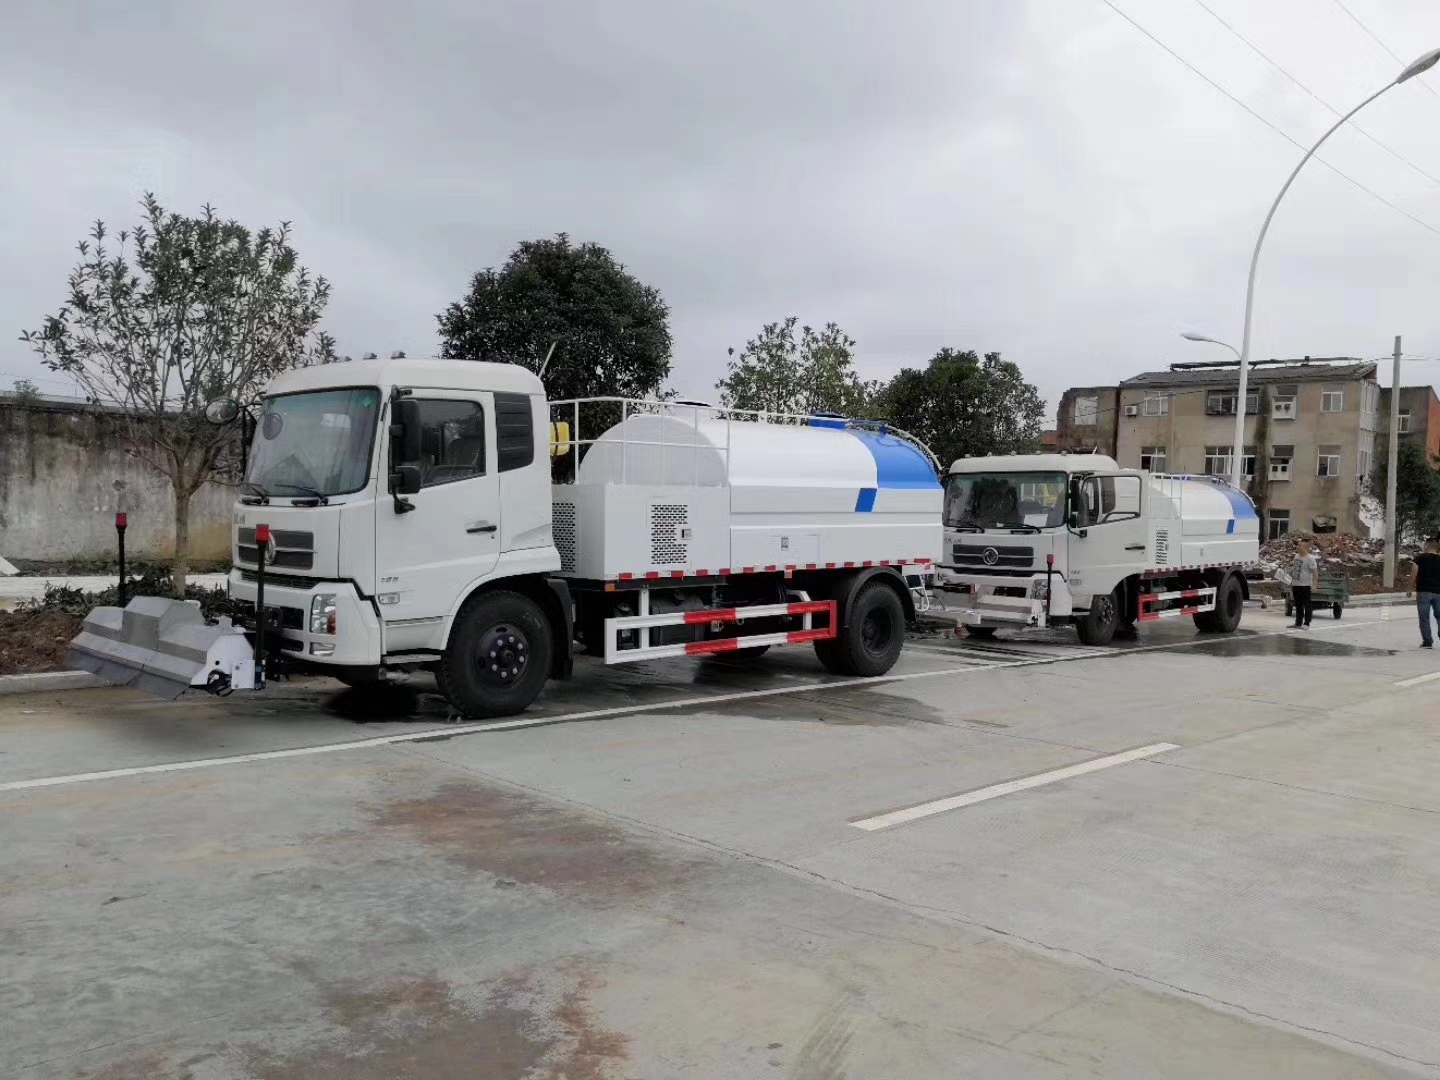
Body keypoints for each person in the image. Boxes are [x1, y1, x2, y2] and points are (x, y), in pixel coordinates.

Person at [1408, 538, 1440, 648]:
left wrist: (1409, 589)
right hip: (1438, 592)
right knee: (1439, 615)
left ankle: (1427, 641)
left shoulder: (1419, 558)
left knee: (1424, 617)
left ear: (1426, 546)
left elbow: (1414, 574)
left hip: (1423, 592)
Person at [1290, 539, 1318, 630]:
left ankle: (1306, 623)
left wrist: (1314, 585)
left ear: (1305, 547)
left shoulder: (1310, 559)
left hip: (1305, 585)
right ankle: (1298, 623)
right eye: (1298, 545)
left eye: (1300, 546)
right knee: (1298, 604)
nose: (1297, 547)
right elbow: (1295, 569)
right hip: (1296, 584)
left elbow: (1315, 573)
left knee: (1307, 604)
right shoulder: (1296, 557)